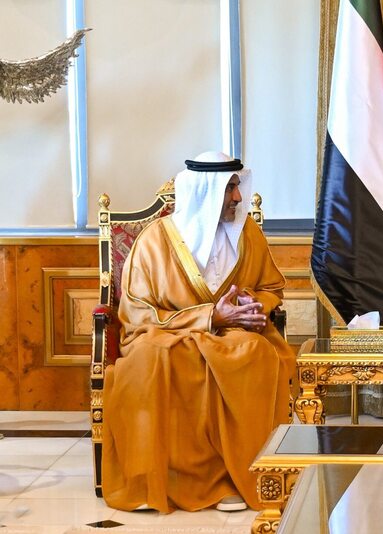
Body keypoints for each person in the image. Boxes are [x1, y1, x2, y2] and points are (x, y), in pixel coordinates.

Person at [101, 151, 295, 513]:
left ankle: (234, 478)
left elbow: (272, 288)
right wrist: (209, 317)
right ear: (205, 191)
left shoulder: (248, 234)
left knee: (255, 354)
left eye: (237, 186)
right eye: (229, 188)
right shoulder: (154, 241)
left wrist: (252, 304)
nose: (237, 197)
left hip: (232, 333)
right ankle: (150, 480)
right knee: (149, 359)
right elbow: (138, 312)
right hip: (166, 333)